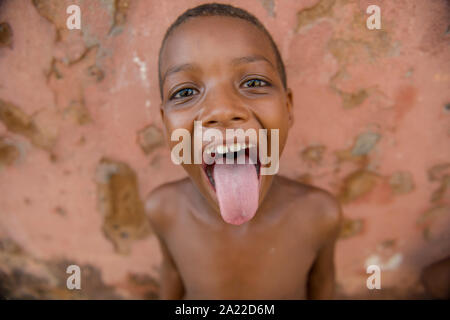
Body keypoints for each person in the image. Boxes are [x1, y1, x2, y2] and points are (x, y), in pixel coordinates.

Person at [146, 3, 342, 299]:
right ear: (165, 124)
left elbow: (323, 286)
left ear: (287, 108)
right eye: (185, 92)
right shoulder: (163, 210)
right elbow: (171, 277)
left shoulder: (319, 215)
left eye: (254, 82)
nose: (222, 110)